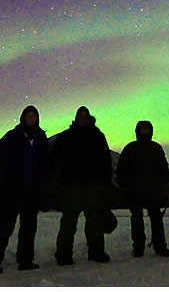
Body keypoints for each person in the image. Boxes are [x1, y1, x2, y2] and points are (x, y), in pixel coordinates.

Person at [0, 105, 51, 275]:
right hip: (13, 188)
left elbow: (45, 162)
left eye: (34, 116)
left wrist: (41, 181)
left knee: (28, 227)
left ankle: (25, 260)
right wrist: (12, 169)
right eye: (28, 116)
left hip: (32, 190)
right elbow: (0, 155)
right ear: (23, 118)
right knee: (5, 225)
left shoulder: (41, 138)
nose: (31, 119)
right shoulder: (13, 136)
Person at [50, 106, 113, 265]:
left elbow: (106, 161)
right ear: (77, 118)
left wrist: (105, 183)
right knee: (69, 222)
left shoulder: (98, 136)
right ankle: (63, 254)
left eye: (85, 116)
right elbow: (54, 158)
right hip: (72, 186)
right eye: (81, 116)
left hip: (93, 186)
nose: (83, 118)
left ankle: (96, 251)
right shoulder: (66, 136)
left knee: (94, 221)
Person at [116, 120, 169, 257]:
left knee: (156, 219)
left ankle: (160, 246)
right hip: (134, 190)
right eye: (142, 129)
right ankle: (138, 246)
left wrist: (164, 184)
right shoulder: (130, 149)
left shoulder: (156, 148)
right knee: (137, 219)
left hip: (153, 190)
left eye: (147, 129)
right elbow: (121, 169)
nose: (144, 132)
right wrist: (123, 186)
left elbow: (163, 168)